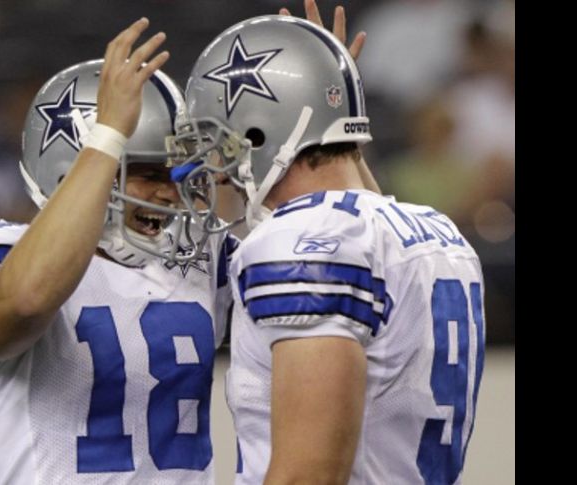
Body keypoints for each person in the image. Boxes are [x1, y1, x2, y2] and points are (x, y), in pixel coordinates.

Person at [0, 19, 236, 484]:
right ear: (70, 165)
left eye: (177, 176)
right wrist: (108, 137)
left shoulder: (197, 261)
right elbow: (26, 300)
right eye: (148, 173)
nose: (170, 195)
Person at [174, 4, 486, 484]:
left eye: (219, 142)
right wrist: (332, 105)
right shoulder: (434, 229)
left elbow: (310, 474)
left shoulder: (299, 241)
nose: (214, 166)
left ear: (257, 133)